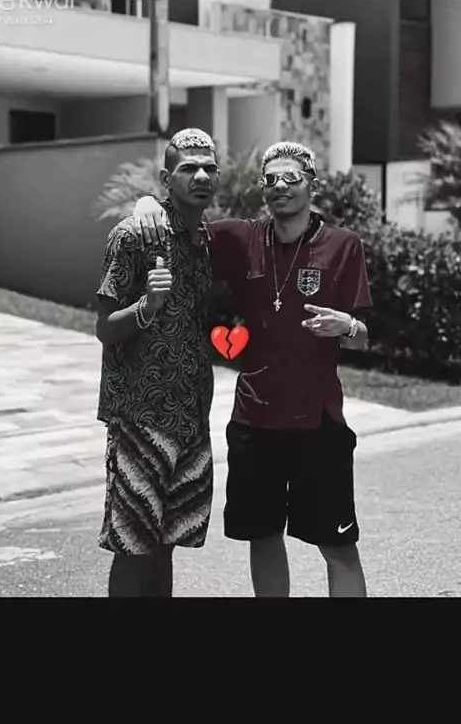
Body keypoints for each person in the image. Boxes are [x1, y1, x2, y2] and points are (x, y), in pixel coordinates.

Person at [132, 141, 373, 597]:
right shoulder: (240, 238)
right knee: (262, 537)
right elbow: (182, 226)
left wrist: (347, 325)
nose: (280, 186)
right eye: (271, 179)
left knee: (338, 545)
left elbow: (362, 337)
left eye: (291, 178)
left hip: (318, 424)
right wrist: (147, 202)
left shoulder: (343, 246)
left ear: (312, 185)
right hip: (254, 422)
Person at [95, 128, 221, 597]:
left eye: (209, 167)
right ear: (167, 179)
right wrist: (147, 307)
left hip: (190, 417)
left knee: (167, 544)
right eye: (188, 168)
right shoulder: (133, 235)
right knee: (133, 546)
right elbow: (104, 327)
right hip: (140, 418)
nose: (201, 176)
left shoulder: (205, 240)